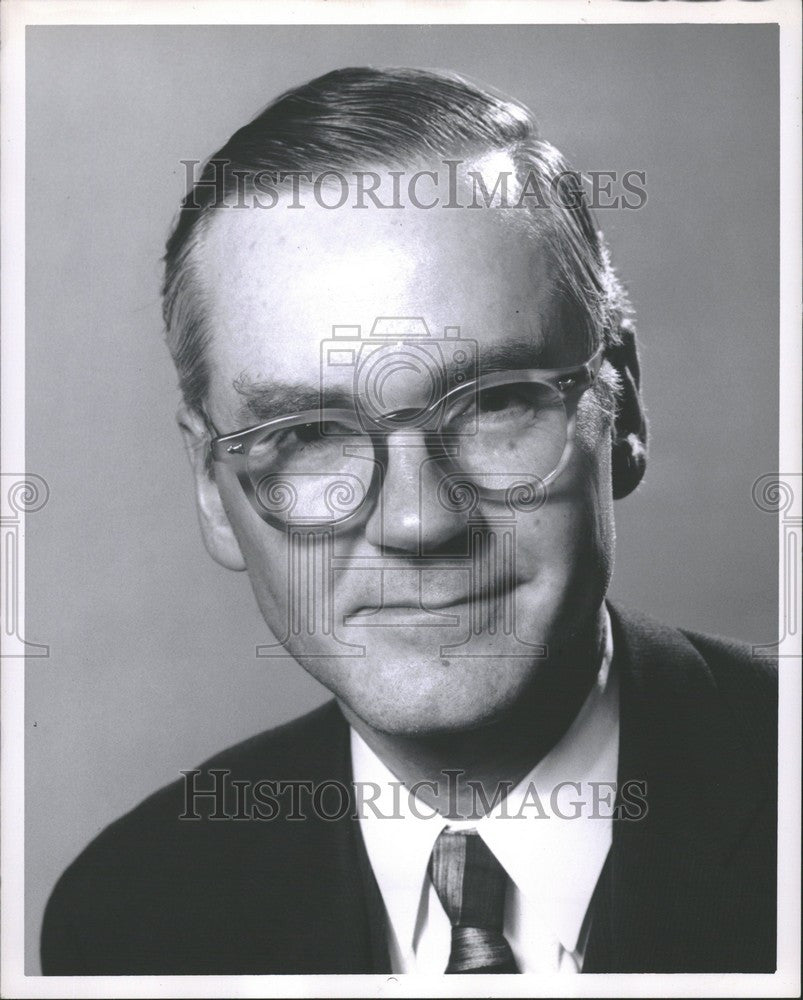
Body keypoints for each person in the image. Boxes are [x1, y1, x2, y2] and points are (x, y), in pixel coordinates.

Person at [41, 67, 776, 976]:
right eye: (309, 433)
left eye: (495, 404)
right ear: (209, 486)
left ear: (620, 411)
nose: (420, 519)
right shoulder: (127, 918)